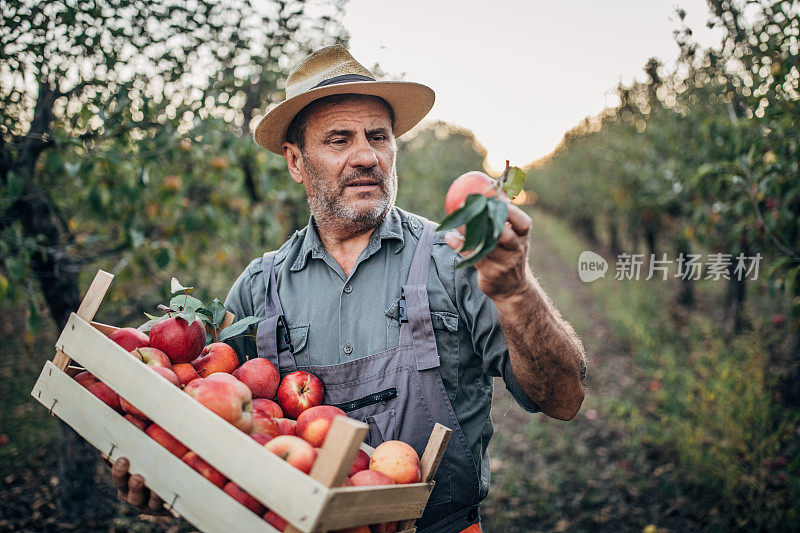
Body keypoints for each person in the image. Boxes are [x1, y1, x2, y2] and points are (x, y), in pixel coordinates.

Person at [112, 45, 586, 532]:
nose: (366, 156)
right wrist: (171, 472)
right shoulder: (259, 290)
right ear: (296, 163)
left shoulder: (456, 261)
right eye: (340, 139)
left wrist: (515, 293)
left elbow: (563, 399)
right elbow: (212, 424)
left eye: (378, 137)